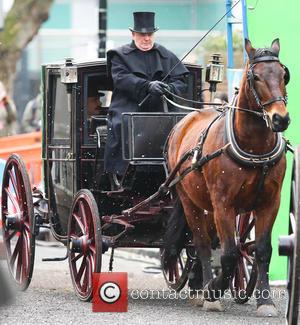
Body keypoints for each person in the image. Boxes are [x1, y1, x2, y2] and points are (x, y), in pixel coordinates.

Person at [104, 12, 189, 189]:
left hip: (162, 111)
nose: (146, 38)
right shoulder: (119, 55)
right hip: (129, 108)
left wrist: (170, 88)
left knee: (184, 127)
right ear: (133, 35)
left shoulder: (165, 55)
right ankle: (120, 175)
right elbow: (121, 79)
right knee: (121, 124)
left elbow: (181, 81)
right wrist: (146, 86)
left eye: (150, 35)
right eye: (142, 35)